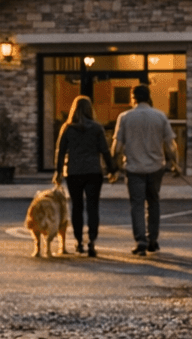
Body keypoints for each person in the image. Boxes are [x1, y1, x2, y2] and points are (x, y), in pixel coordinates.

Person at [111, 83, 178, 256]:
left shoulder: (125, 117)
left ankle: (140, 240)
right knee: (154, 202)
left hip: (134, 167)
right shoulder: (160, 116)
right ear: (148, 96)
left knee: (137, 205)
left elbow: (117, 146)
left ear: (133, 98)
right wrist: (175, 163)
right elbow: (170, 144)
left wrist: (113, 166)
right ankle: (153, 240)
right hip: (156, 167)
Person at [53, 95, 115, 257]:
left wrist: (58, 171)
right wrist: (111, 169)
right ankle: (92, 242)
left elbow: (60, 152)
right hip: (93, 171)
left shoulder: (67, 128)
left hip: (74, 172)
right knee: (93, 207)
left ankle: (79, 242)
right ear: (89, 110)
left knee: (77, 207)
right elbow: (105, 150)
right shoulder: (96, 128)